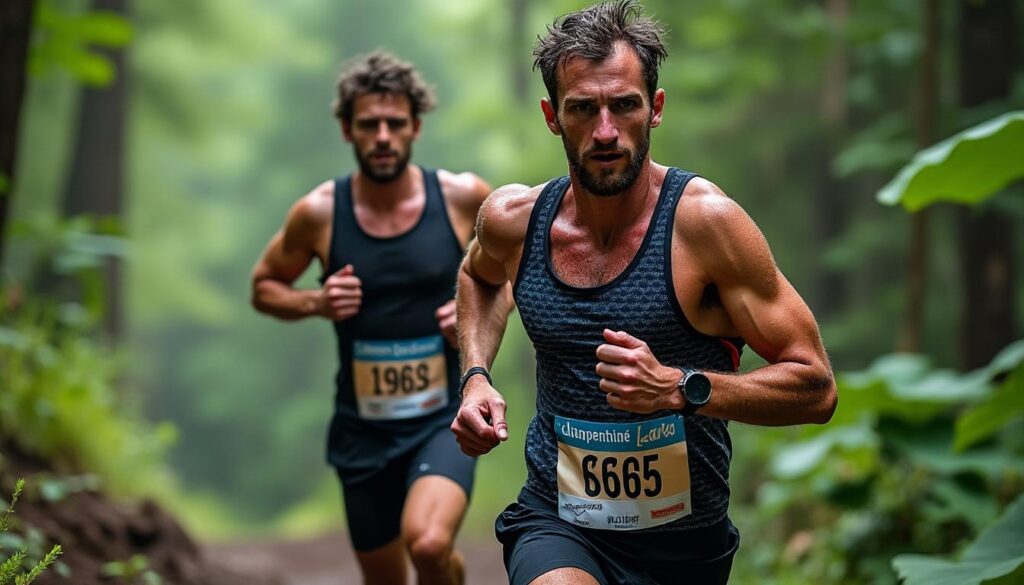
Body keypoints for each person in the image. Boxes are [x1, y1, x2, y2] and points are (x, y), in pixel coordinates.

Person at [450, 2, 837, 584]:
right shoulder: (513, 219)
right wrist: (476, 374)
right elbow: (479, 277)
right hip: (558, 522)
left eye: (623, 105)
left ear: (654, 109)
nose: (605, 131)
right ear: (553, 116)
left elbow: (816, 387)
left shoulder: (706, 226)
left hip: (685, 547)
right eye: (583, 109)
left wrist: (682, 389)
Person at [251, 51, 491, 585]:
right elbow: (264, 287)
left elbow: (519, 268)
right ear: (347, 130)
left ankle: (443, 568)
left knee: (428, 545)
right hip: (362, 433)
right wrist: (316, 301)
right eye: (368, 124)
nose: (382, 136)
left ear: (416, 127)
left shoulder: (461, 197)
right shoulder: (319, 213)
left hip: (440, 421)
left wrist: (475, 311)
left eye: (395, 124)